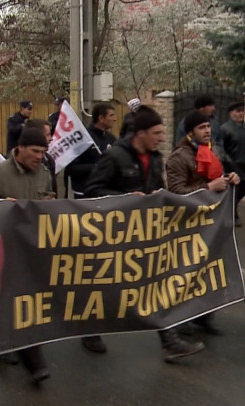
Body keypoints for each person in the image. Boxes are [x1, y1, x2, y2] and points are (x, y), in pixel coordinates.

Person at [85, 106, 206, 362]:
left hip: (144, 234)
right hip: (114, 235)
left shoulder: (156, 159)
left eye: (162, 133)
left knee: (156, 282)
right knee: (108, 286)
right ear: (140, 133)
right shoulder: (115, 156)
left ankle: (169, 342)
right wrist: (126, 198)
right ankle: (89, 329)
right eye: (156, 133)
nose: (161, 138)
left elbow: (158, 190)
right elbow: (92, 191)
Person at [0, 128, 54, 382]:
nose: (40, 156)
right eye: (35, 151)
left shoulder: (44, 173)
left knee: (26, 300)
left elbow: (50, 203)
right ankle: (33, 361)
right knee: (14, 299)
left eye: (43, 152)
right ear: (19, 149)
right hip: (4, 249)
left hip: (33, 247)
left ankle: (8, 345)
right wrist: (1, 208)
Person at [166, 110, 239, 337]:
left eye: (208, 126)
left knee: (208, 272)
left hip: (210, 223)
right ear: (190, 132)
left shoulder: (211, 150)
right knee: (187, 273)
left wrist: (230, 179)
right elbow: (176, 193)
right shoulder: (179, 157)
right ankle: (180, 320)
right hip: (188, 224)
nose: (207, 131)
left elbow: (218, 176)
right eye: (201, 127)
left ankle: (204, 316)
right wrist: (208, 188)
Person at [66, 103, 118, 199]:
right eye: (111, 115)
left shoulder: (111, 138)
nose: (115, 119)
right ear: (101, 118)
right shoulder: (83, 138)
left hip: (105, 193)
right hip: (85, 194)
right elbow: (71, 168)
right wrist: (96, 167)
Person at [221, 101, 245, 225]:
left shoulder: (243, 128)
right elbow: (221, 148)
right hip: (233, 166)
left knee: (242, 190)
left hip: (243, 165)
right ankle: (233, 215)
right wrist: (228, 162)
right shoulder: (225, 129)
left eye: (242, 111)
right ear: (231, 113)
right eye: (238, 111)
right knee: (234, 192)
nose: (241, 114)